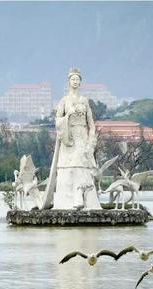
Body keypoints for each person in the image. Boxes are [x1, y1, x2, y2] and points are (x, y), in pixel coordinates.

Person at [45, 68, 101, 210]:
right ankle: (67, 201)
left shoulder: (84, 100)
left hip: (82, 136)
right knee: (67, 167)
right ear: (69, 82)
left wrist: (91, 142)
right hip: (68, 137)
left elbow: (91, 124)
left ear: (80, 82)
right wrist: (68, 115)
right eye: (73, 79)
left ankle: (82, 197)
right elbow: (57, 121)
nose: (75, 82)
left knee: (81, 164)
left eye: (77, 79)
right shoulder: (64, 100)